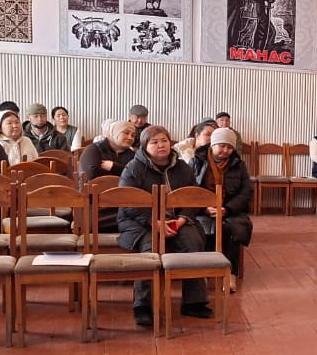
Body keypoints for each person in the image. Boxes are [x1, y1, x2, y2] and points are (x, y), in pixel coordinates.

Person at [119, 125, 212, 328]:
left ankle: (194, 302)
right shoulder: (133, 168)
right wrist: (154, 222)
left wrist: (183, 219)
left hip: (177, 219)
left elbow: (193, 197)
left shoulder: (183, 167)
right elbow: (127, 202)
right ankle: (143, 305)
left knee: (192, 242)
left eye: (164, 140)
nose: (161, 145)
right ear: (145, 146)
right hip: (142, 222)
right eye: (154, 142)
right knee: (149, 248)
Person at [192, 127, 252, 291]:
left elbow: (246, 191)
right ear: (213, 144)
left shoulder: (239, 164)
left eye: (229, 147)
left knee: (233, 229)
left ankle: (230, 273)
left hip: (231, 210)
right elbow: (190, 189)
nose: (225, 150)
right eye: (222, 146)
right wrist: (204, 208)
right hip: (203, 210)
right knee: (202, 229)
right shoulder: (196, 161)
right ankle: (204, 272)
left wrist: (227, 209)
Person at [80, 119, 137, 183]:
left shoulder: (133, 154)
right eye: (126, 133)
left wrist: (114, 167)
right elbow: (92, 174)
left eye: (133, 135)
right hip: (95, 188)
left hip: (125, 189)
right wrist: (123, 173)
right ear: (115, 132)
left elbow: (137, 176)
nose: (130, 138)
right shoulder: (94, 149)